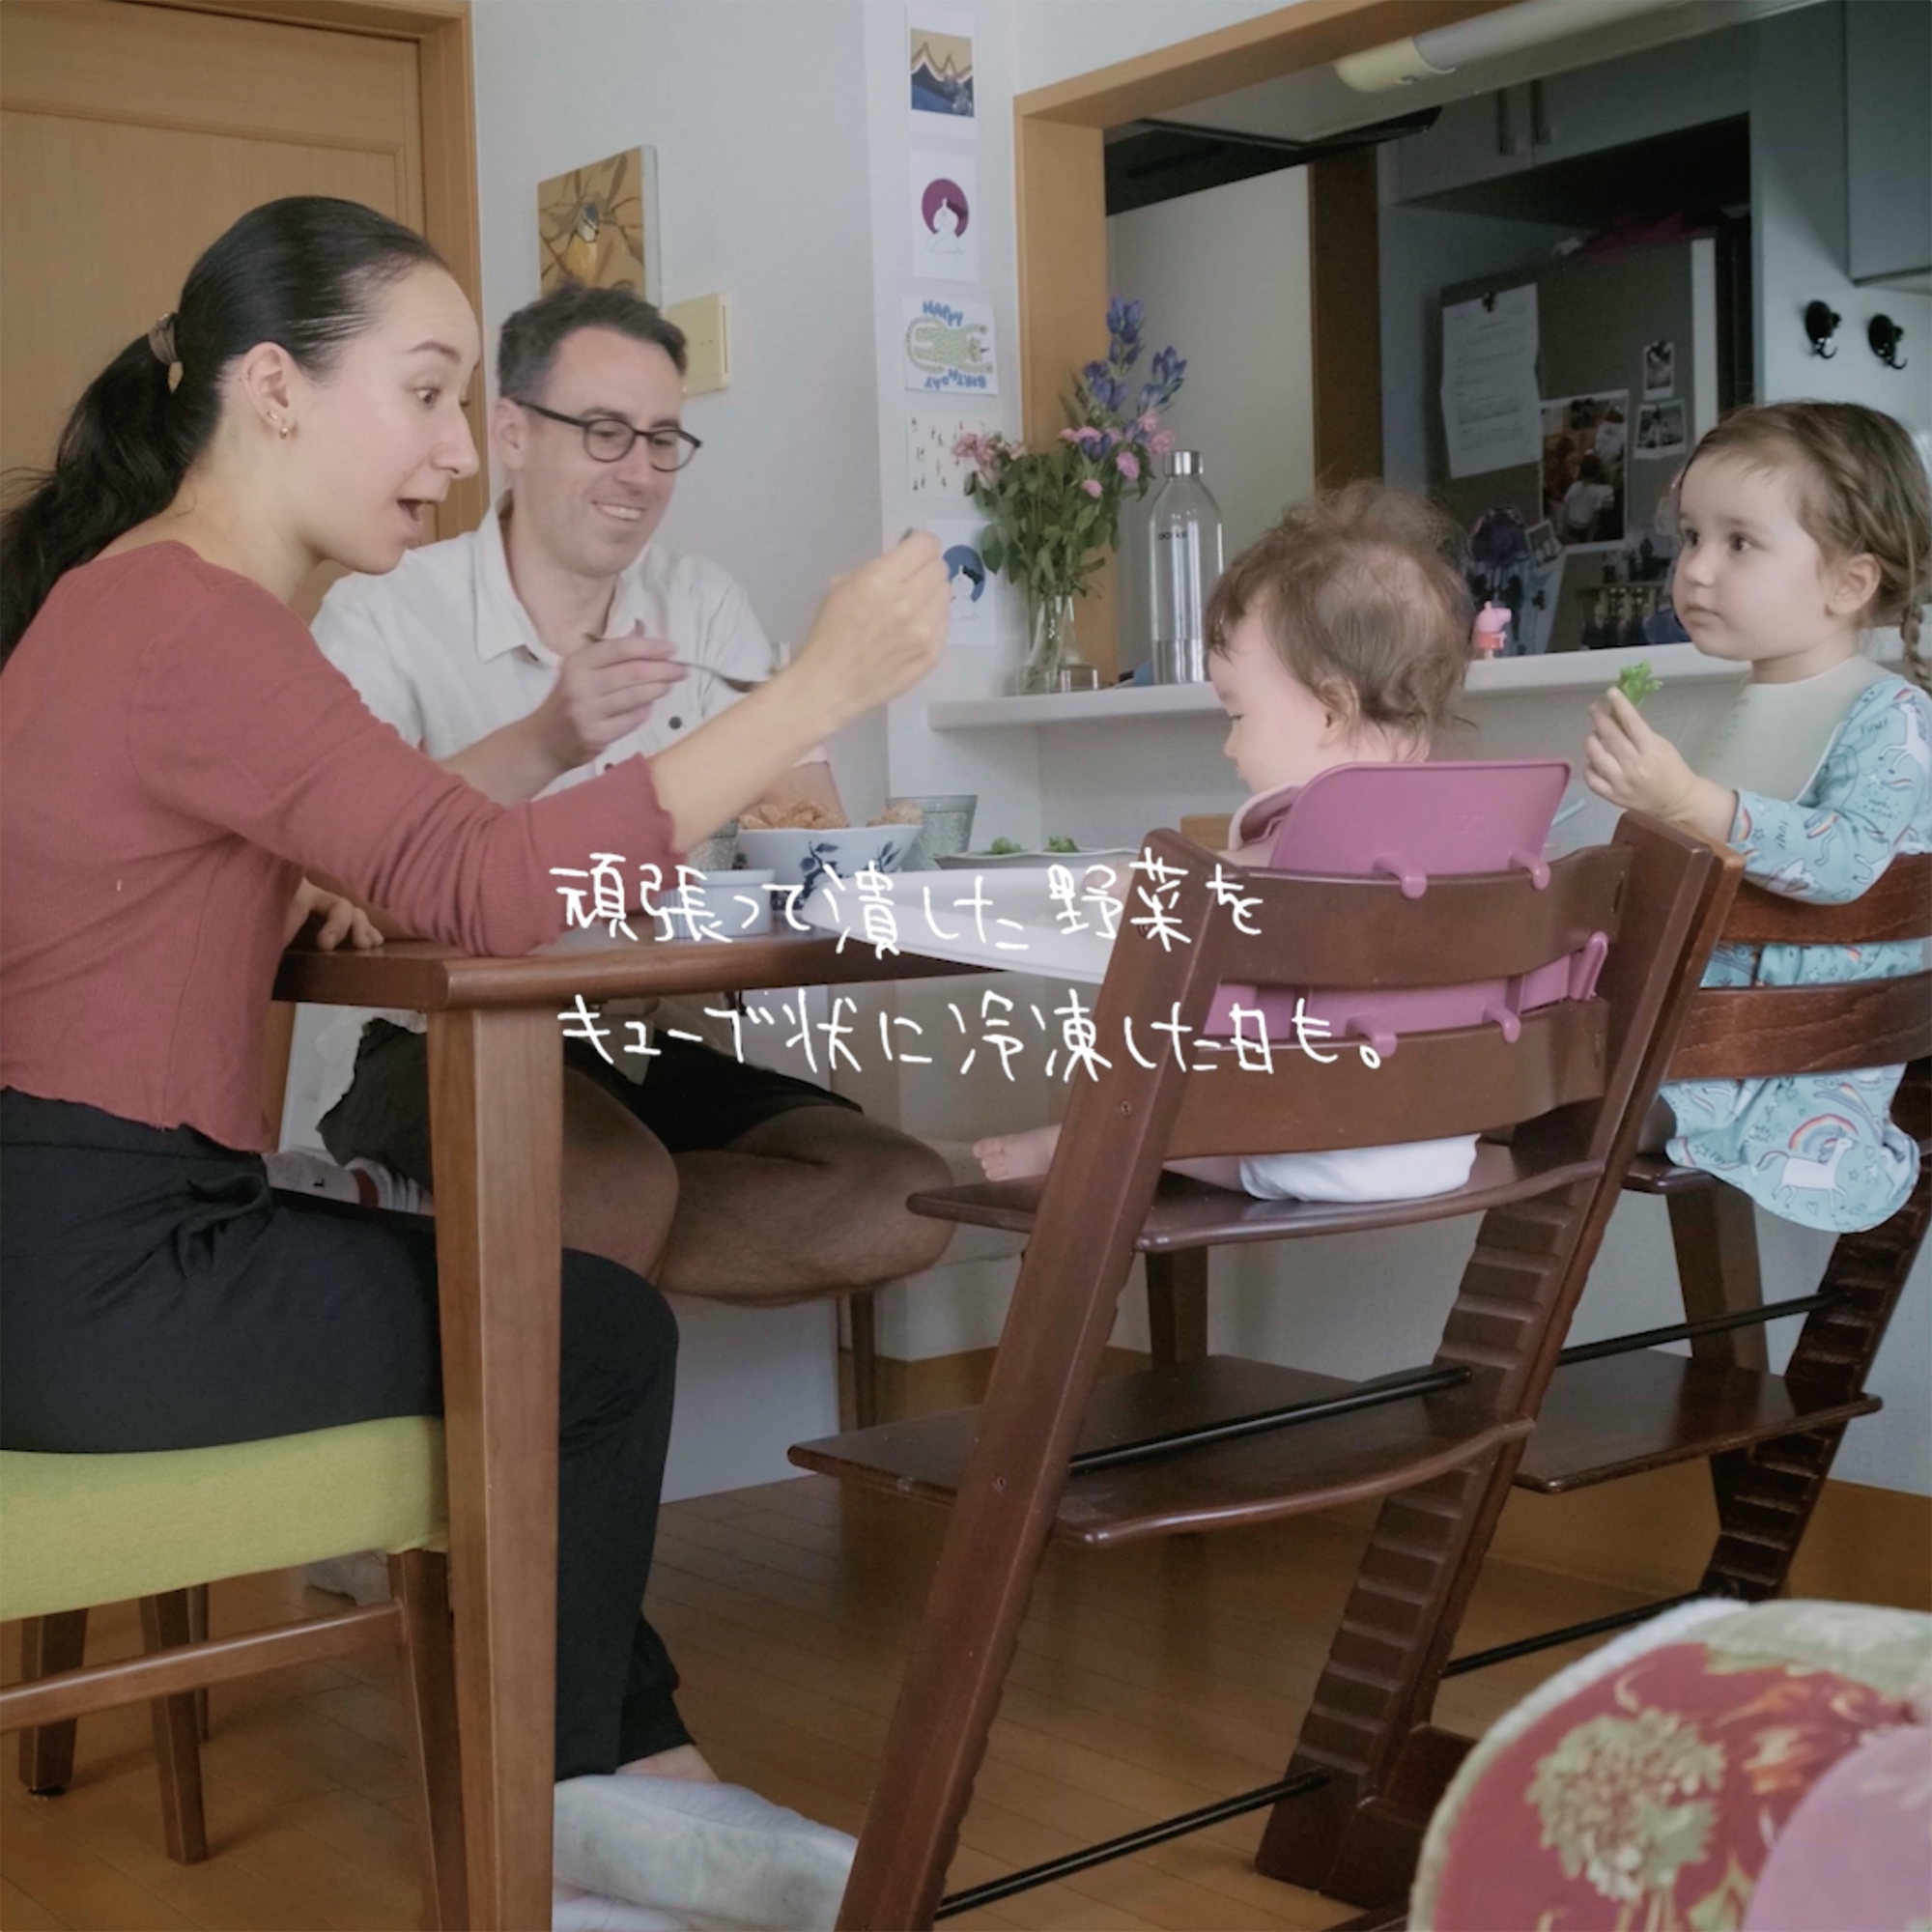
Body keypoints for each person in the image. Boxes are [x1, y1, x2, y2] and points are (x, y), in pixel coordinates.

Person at [0, 196, 947, 1932]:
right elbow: (495, 887)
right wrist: (817, 689)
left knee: (565, 1305)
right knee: (590, 1339)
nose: (454, 453)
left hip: (71, 1237)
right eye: (428, 394)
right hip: (100, 1274)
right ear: (273, 389)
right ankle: (582, 1812)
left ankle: (621, 1786)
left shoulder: (136, 606)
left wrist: (279, 871)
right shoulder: (194, 621)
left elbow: (393, 835)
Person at [307, 278, 954, 1306]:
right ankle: (556, 1253)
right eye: (604, 433)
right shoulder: (383, 611)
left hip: (644, 1036)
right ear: (512, 433)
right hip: (430, 1042)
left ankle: (507, 1253)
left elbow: (805, 833)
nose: (640, 472)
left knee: (904, 1196)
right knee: (610, 1184)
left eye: (662, 440)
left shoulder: (699, 601)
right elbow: (338, 874)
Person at [975, 482, 1481, 1203]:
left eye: (1238, 716)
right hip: (1443, 1142)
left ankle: (1080, 1137)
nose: (1229, 746)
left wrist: (1132, 879)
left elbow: (1227, 886)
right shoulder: (1467, 829)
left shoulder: (1317, 832)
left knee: (1155, 1076)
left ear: (1331, 711)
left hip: (1311, 1142)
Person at [1583, 400, 1931, 1234]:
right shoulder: (1737, 706)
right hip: (1701, 1042)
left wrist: (1686, 801)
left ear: (1849, 583)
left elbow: (1847, 863)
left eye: (1738, 543)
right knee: (1512, 1074)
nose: (1697, 570)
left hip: (1791, 1072)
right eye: (1691, 538)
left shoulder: (1891, 715)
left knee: (1556, 1105)